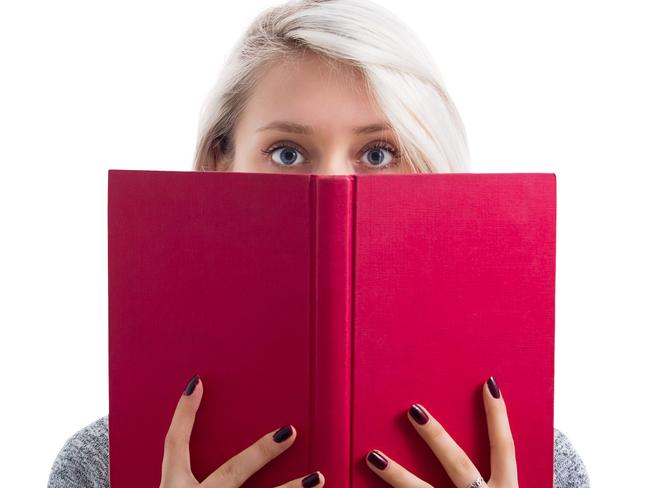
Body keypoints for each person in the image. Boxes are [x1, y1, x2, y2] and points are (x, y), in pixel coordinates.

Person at [47, 1, 591, 487]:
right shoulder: (101, 467)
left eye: (378, 153)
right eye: (287, 151)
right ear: (218, 165)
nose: (334, 185)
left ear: (433, 172)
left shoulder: (538, 467)